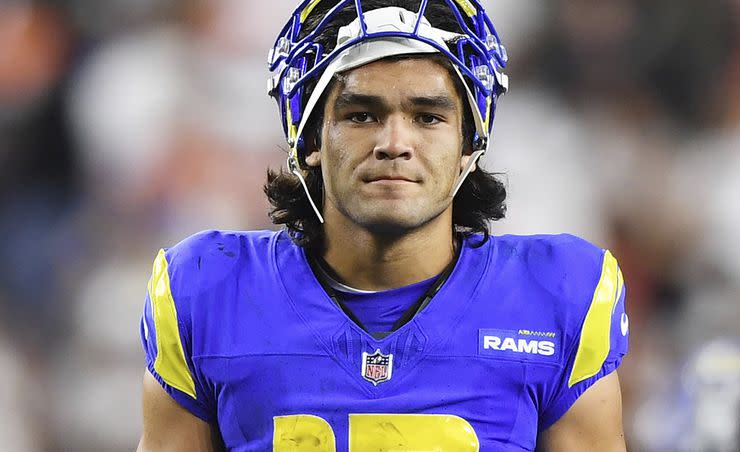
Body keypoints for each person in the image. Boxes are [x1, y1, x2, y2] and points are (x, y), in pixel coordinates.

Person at [137, 0, 629, 450]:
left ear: (468, 145)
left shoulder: (559, 295)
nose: (394, 142)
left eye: (427, 117)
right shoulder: (207, 291)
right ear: (311, 139)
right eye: (361, 115)